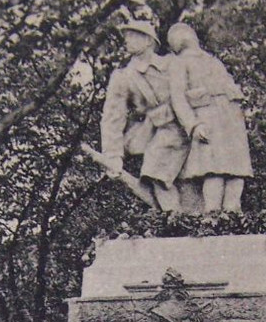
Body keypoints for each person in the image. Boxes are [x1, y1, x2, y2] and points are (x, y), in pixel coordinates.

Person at [97, 20, 190, 212]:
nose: (126, 40)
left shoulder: (173, 63)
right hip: (163, 132)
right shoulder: (124, 77)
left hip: (192, 126)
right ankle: (176, 218)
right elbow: (113, 118)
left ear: (148, 40)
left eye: (133, 36)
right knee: (154, 171)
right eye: (126, 36)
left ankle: (193, 218)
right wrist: (113, 155)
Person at [167, 22, 252, 213]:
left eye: (185, 32)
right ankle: (213, 215)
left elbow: (230, 87)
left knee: (237, 169)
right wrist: (193, 125)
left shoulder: (213, 61)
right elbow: (178, 99)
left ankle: (233, 213)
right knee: (213, 169)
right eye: (176, 35)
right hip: (207, 117)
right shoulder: (179, 63)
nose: (183, 36)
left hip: (230, 117)